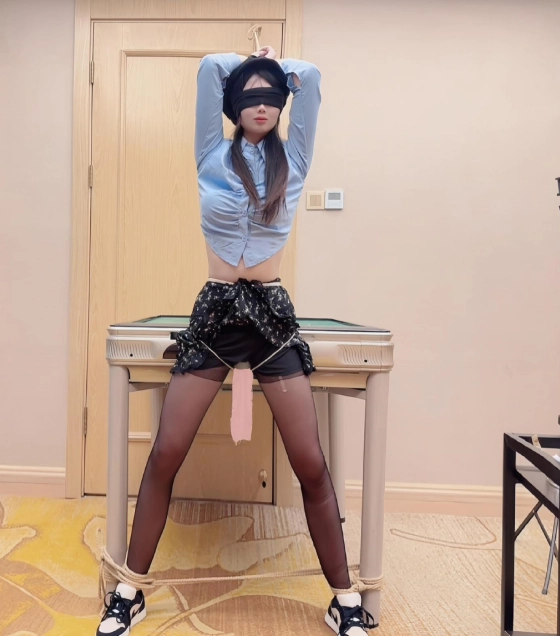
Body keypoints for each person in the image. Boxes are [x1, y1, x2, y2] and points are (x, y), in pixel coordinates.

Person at [96, 46, 375, 636]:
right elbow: (207, 69)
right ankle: (129, 590)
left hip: (270, 317)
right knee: (166, 453)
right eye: (251, 95)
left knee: (310, 463)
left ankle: (345, 598)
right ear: (232, 106)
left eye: (272, 95)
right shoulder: (211, 154)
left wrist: (280, 67)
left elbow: (313, 78)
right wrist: (247, 61)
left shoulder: (294, 159)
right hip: (217, 313)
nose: (263, 104)